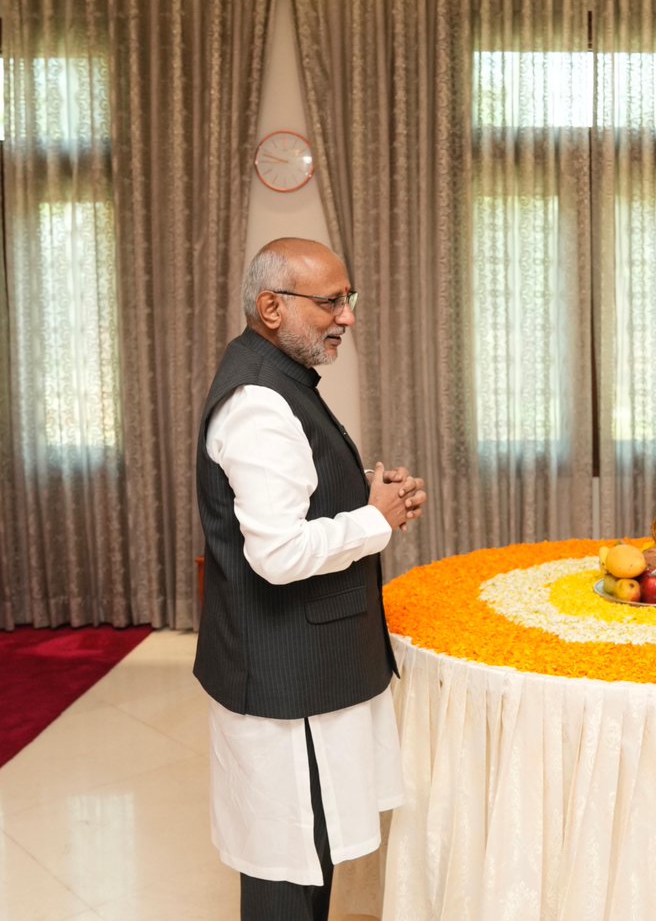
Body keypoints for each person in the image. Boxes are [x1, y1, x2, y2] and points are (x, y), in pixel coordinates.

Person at [193, 237, 427, 920]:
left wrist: (363, 496)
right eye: (330, 301)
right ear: (271, 306)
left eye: (347, 300)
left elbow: (291, 502)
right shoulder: (260, 403)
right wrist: (374, 519)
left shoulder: (275, 378)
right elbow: (279, 553)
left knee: (308, 856)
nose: (347, 316)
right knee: (285, 874)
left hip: (297, 669)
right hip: (281, 679)